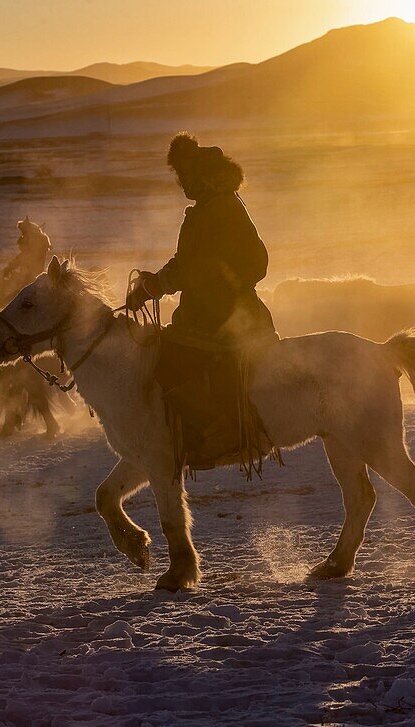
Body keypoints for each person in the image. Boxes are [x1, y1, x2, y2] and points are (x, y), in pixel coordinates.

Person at [126, 133, 278, 474]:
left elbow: (206, 267)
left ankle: (229, 434)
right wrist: (152, 286)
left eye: (184, 177)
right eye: (178, 178)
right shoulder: (206, 210)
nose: (181, 185)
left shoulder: (221, 208)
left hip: (230, 316)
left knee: (178, 364)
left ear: (199, 174)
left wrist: (161, 285)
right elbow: (187, 264)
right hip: (204, 312)